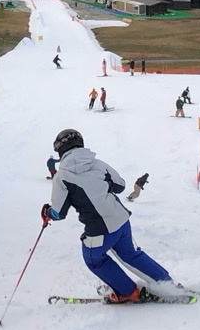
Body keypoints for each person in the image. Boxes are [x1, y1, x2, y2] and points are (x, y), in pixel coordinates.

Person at [44, 128, 183, 304]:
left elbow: (59, 213)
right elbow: (120, 186)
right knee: (130, 255)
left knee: (93, 259)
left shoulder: (62, 177)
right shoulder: (97, 164)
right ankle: (166, 284)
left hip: (100, 230)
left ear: (60, 150)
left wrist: (47, 212)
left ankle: (127, 291)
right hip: (121, 220)